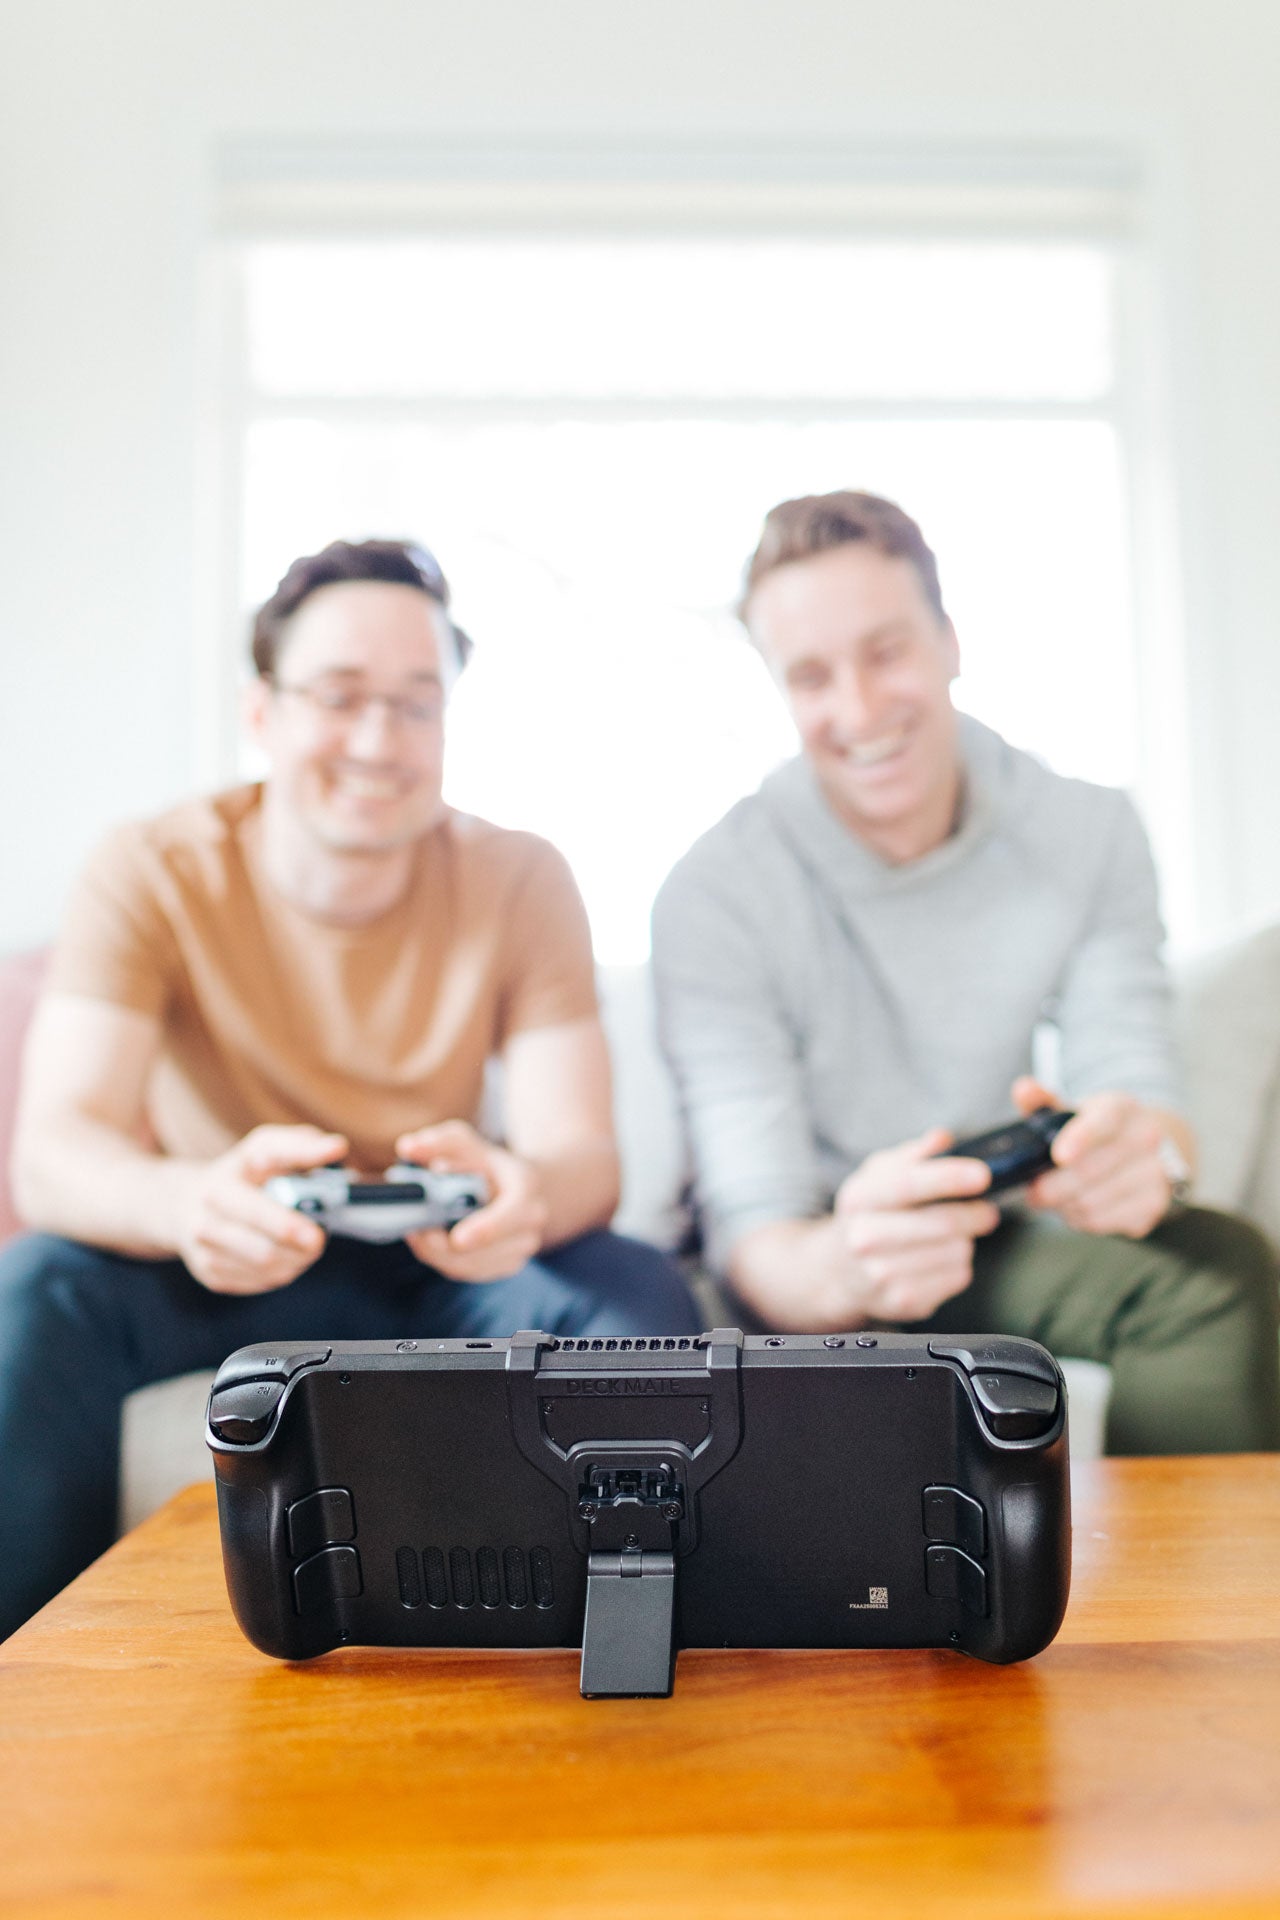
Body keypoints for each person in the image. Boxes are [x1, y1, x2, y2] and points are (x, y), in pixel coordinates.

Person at [0, 538, 697, 1640]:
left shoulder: (520, 875)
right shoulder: (153, 866)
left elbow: (580, 1159)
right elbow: (56, 1151)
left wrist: (521, 1191)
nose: (379, 741)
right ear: (263, 710)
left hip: (443, 1269)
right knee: (38, 1285)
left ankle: (647, 1645)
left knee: (640, 1301)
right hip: (223, 1259)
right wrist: (188, 1203)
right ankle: (25, 1677)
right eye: (339, 697)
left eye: (416, 705)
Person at [651, 490, 1280, 1455]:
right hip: (820, 1264)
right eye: (812, 676)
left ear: (950, 640)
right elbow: (756, 1231)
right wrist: (848, 1267)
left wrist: (1139, 1156)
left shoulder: (1088, 830)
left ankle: (1179, 1605)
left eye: (887, 651)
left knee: (1220, 1268)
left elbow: (1137, 1085)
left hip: (993, 1234)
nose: (859, 709)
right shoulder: (714, 891)